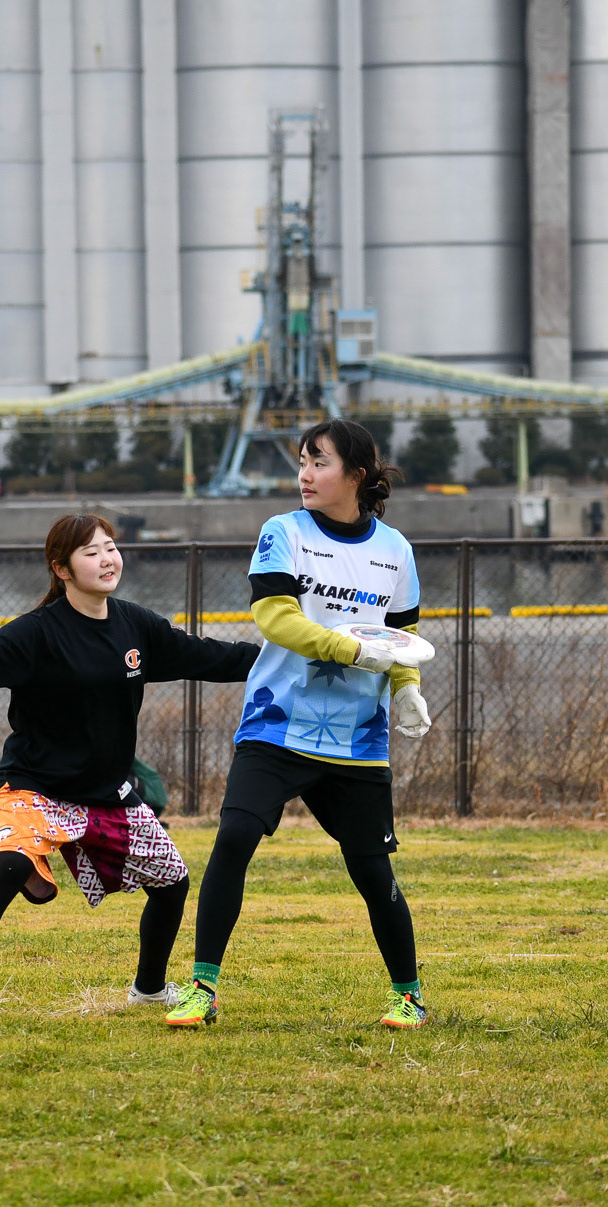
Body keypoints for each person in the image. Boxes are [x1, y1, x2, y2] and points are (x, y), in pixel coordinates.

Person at [0, 513, 257, 1019]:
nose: (107, 559)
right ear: (61, 569)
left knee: (172, 881)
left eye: (110, 547)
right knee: (12, 865)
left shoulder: (135, 625)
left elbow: (203, 655)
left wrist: (272, 659)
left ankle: (149, 989)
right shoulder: (38, 632)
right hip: (35, 787)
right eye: (91, 552)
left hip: (106, 792)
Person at [166, 418, 433, 1030]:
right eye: (303, 462)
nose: (304, 475)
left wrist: (407, 689)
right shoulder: (282, 531)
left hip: (357, 739)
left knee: (372, 871)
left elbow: (402, 637)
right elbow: (276, 619)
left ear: (356, 476)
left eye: (319, 462)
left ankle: (410, 997)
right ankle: (201, 990)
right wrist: (350, 650)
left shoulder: (396, 550)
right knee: (234, 837)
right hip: (276, 725)